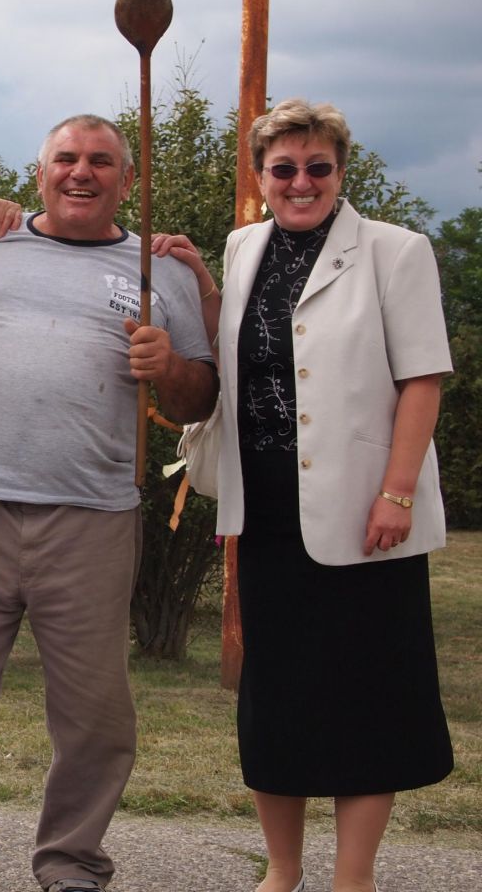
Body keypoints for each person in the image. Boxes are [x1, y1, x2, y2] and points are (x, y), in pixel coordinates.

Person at [0, 114, 218, 892]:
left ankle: (73, 861)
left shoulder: (160, 269)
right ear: (40, 172)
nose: (82, 172)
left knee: (94, 709)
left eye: (102, 161)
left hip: (92, 516)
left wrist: (168, 366)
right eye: (67, 159)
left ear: (128, 179)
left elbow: (198, 399)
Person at [152, 98, 454, 892]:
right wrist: (203, 282)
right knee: (276, 701)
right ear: (261, 176)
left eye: (318, 167)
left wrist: (396, 492)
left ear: (341, 172)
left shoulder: (396, 251)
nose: (301, 182)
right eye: (283, 168)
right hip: (266, 513)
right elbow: (240, 347)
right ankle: (280, 873)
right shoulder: (244, 245)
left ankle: (354, 879)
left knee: (368, 700)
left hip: (366, 514)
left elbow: (423, 380)